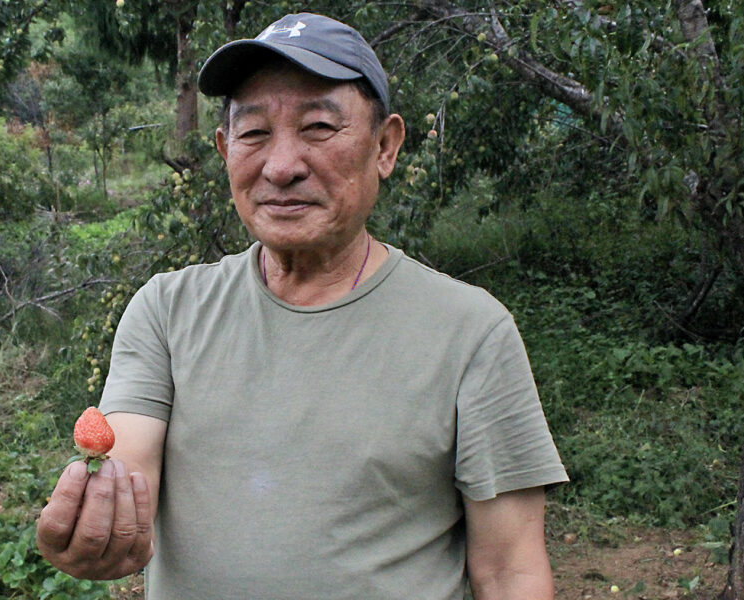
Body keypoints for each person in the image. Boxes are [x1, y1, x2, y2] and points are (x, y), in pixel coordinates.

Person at [37, 13, 568, 600]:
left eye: (318, 126)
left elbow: (511, 569)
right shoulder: (166, 310)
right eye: (254, 133)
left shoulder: (471, 331)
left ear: (385, 146)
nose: (281, 165)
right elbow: (127, 469)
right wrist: (103, 527)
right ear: (224, 149)